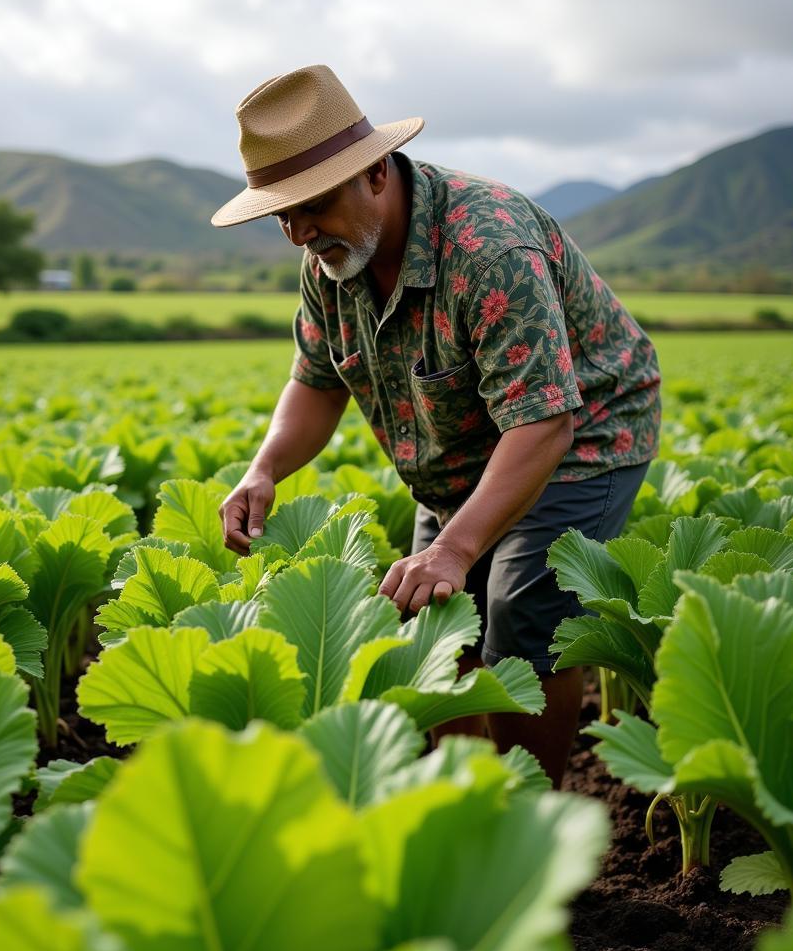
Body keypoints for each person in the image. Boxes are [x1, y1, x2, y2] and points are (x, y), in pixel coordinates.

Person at [211, 64, 661, 788]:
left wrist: (454, 548)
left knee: (520, 610)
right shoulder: (331, 256)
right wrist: (263, 470)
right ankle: (461, 794)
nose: (298, 233)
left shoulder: (489, 248)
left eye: (312, 205)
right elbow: (316, 383)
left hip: (582, 428)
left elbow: (544, 422)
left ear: (377, 174)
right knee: (434, 624)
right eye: (282, 215)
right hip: (460, 448)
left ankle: (524, 813)